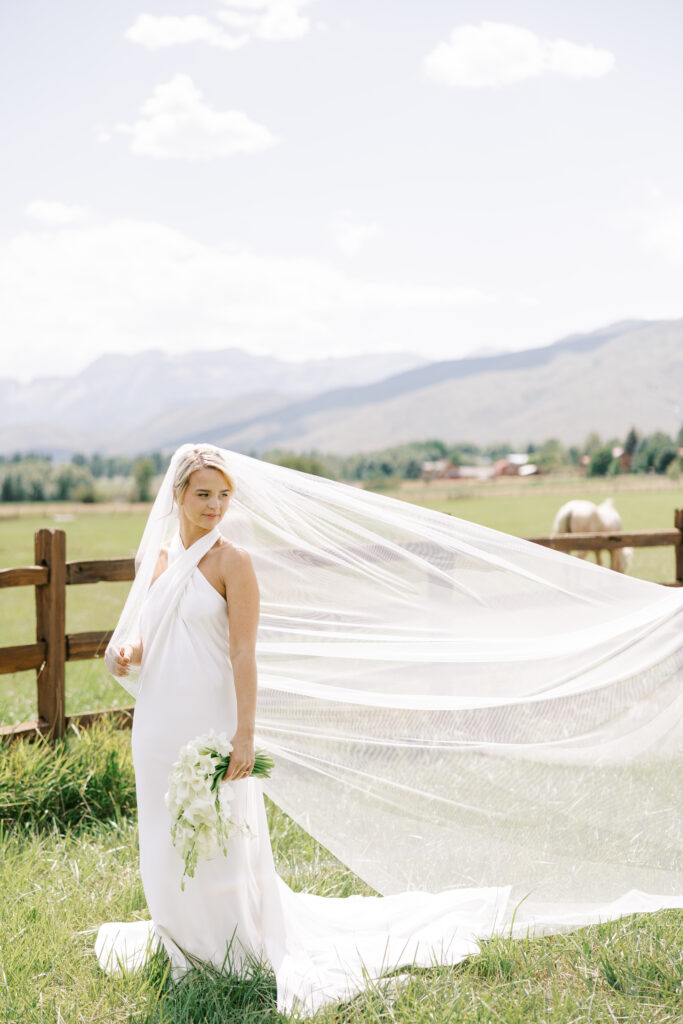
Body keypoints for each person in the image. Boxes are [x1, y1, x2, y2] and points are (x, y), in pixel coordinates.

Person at [96, 443, 683, 1014]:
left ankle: (231, 943)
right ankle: (178, 934)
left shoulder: (234, 564)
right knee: (164, 831)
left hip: (212, 722)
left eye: (224, 495)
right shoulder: (164, 561)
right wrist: (127, 650)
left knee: (223, 835)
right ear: (177, 496)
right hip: (159, 722)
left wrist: (245, 735)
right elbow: (152, 636)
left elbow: (244, 656)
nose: (214, 505)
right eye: (203, 494)